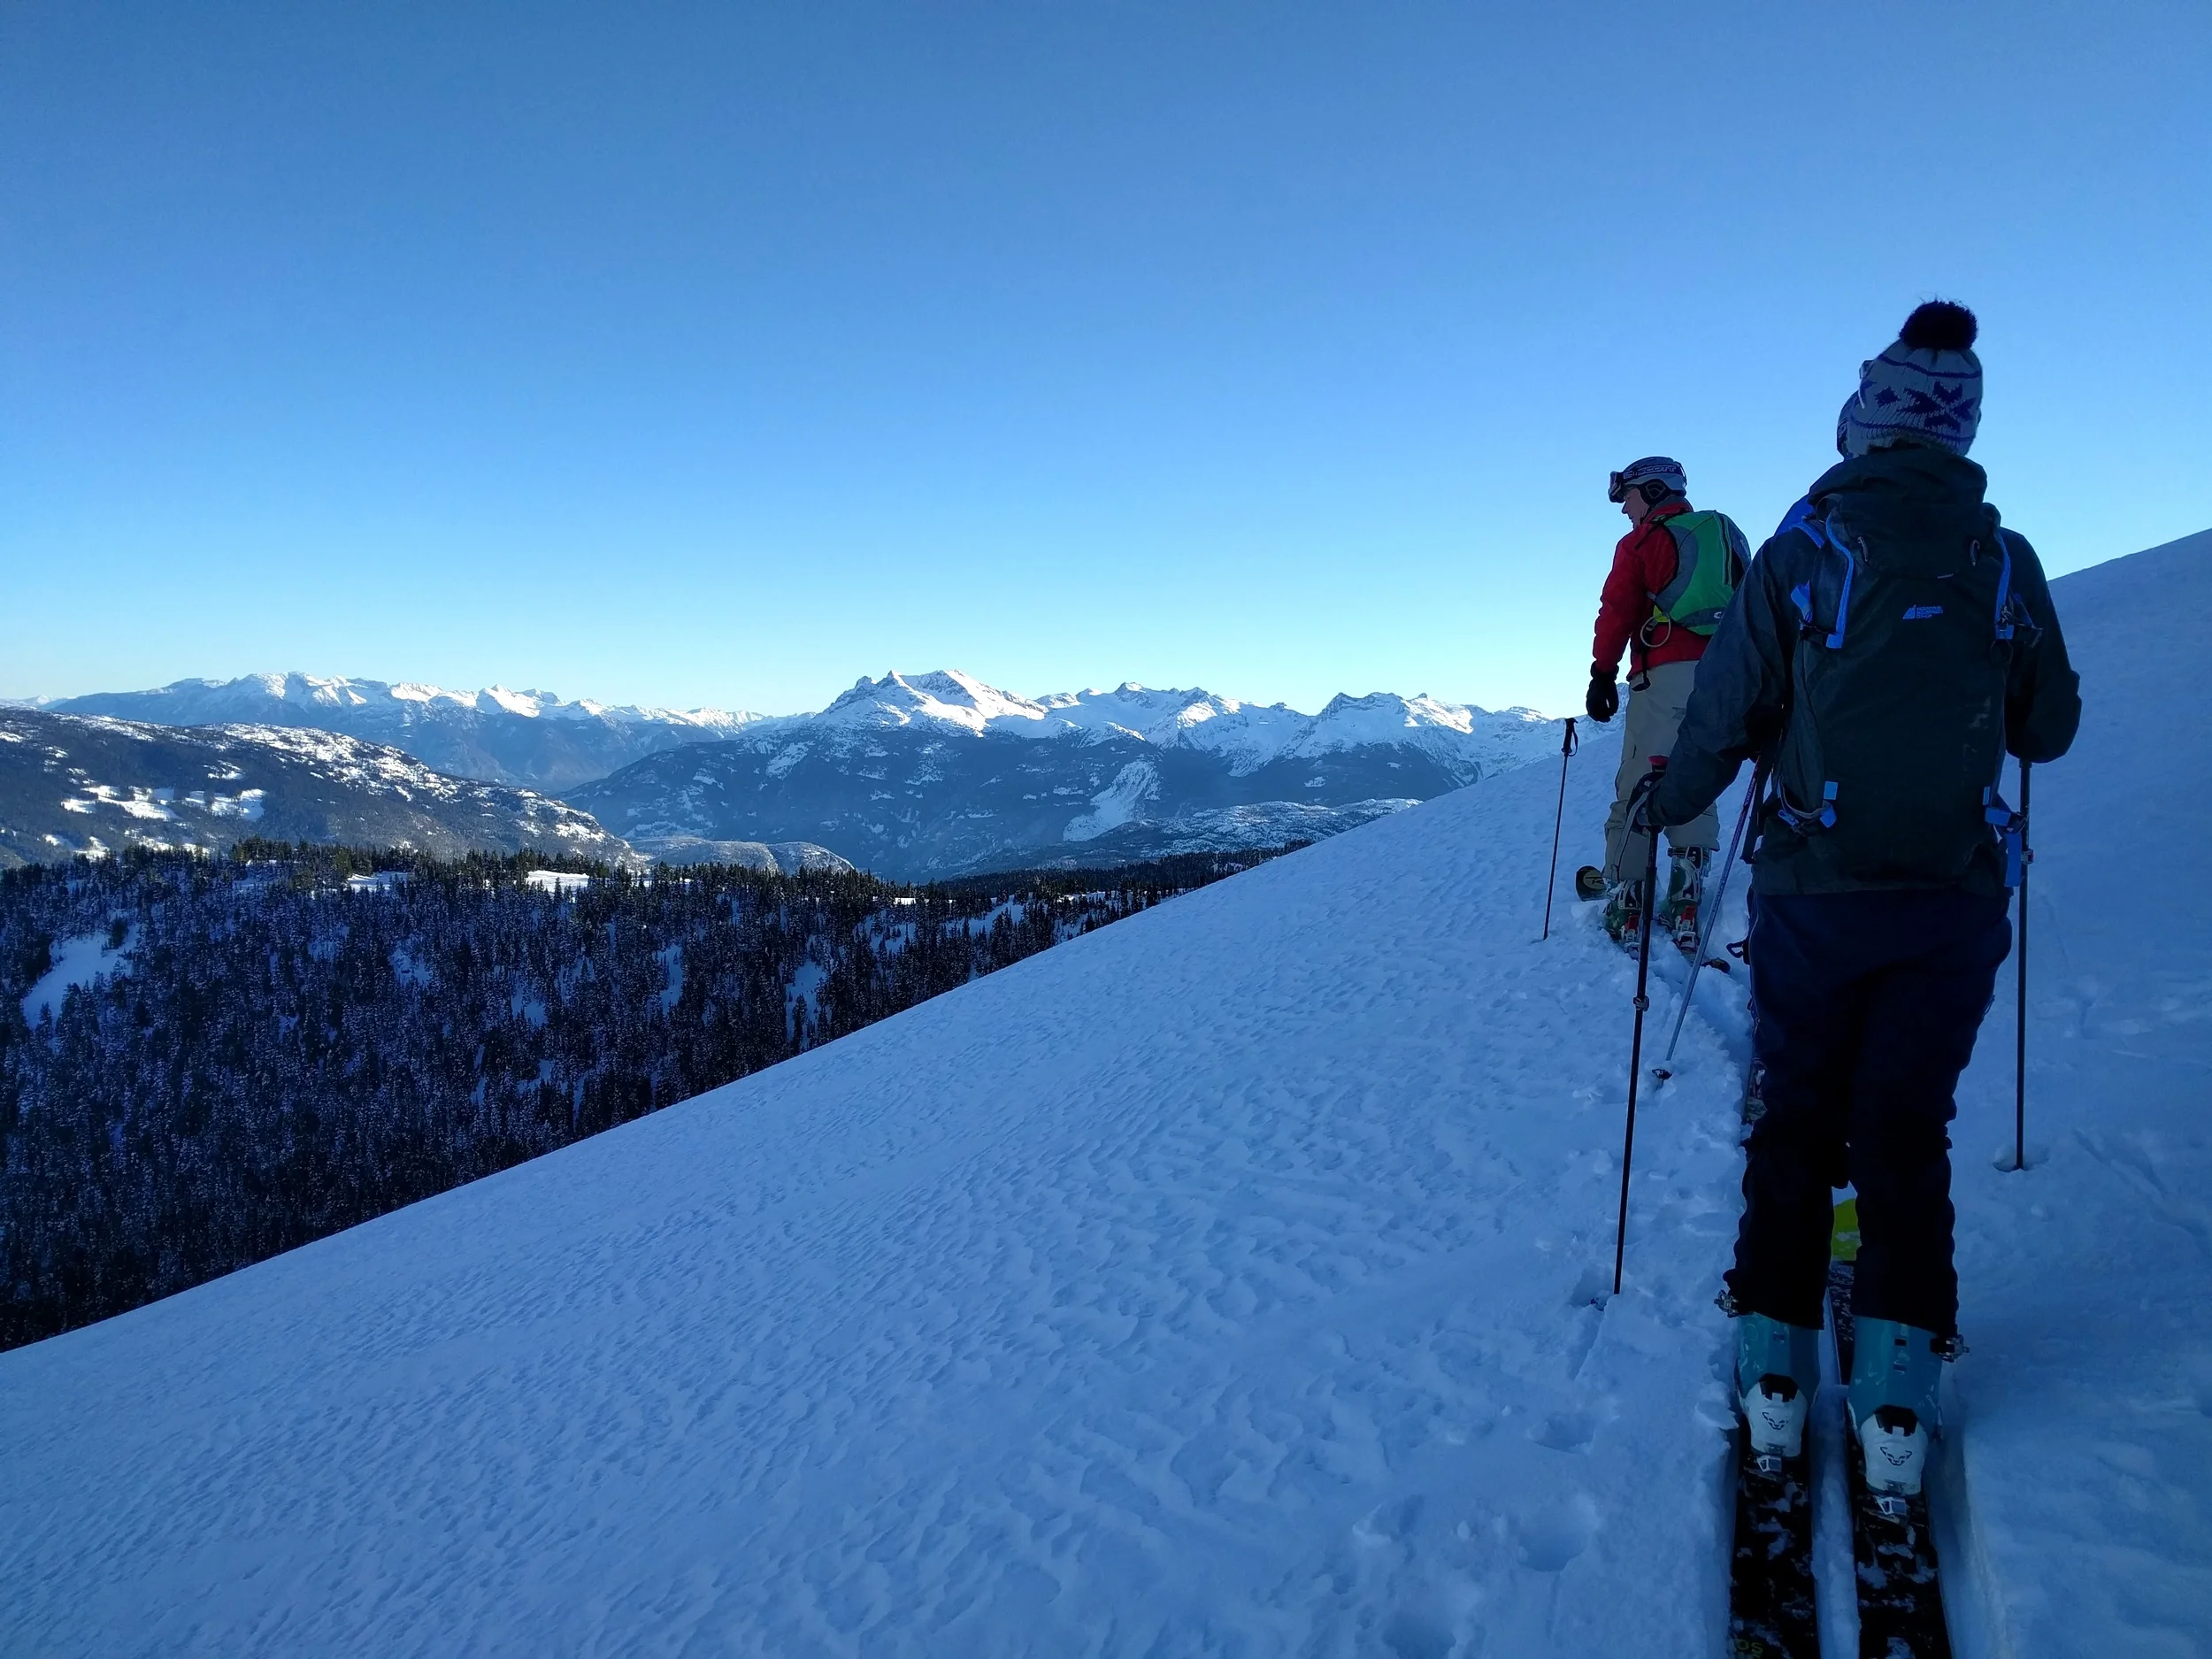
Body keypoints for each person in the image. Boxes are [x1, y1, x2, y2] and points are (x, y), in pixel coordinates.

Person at [1631, 300, 2081, 1494]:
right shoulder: (2002, 557)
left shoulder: (1804, 551)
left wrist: (1665, 798)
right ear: (1959, 433)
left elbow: (1723, 721)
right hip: (1953, 899)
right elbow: (2052, 724)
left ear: (1864, 423)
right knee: (1903, 1128)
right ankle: (1896, 1387)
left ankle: (1773, 1369)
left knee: (1794, 1120)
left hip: (1815, 894)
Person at [1577, 457, 1747, 950]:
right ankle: (1686, 897)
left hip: (1663, 676)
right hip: (1722, 679)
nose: (1624, 508)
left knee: (1639, 780)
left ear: (1651, 492)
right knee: (1695, 775)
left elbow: (1616, 611)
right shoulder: (1723, 536)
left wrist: (1602, 674)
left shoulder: (1643, 542)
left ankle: (1627, 903)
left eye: (1627, 496)